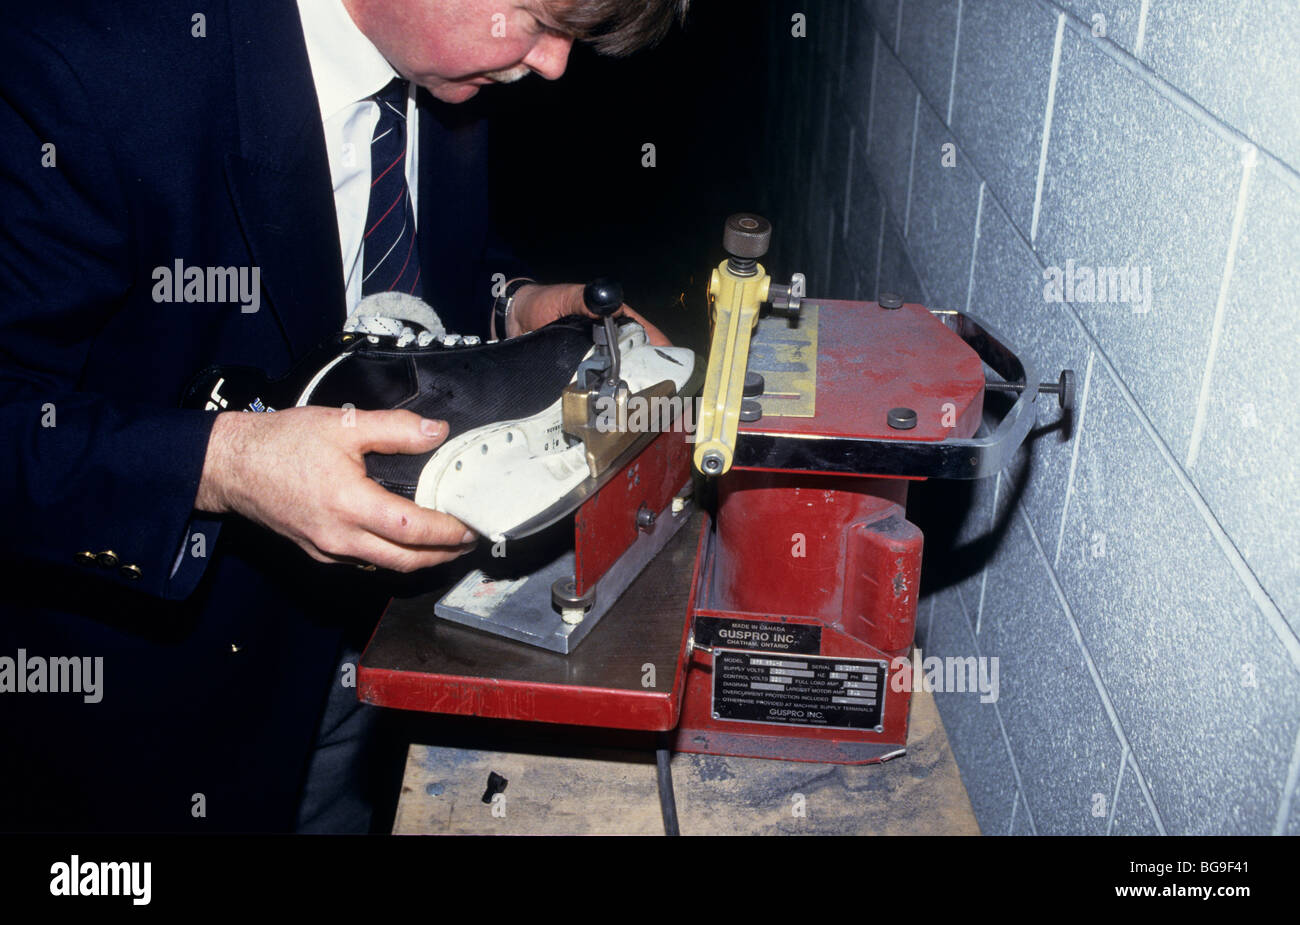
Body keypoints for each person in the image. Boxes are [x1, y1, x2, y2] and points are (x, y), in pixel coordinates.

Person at [0, 0, 686, 833]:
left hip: (358, 662)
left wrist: (517, 304)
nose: (552, 66)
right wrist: (224, 464)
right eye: (541, 18)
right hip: (141, 718)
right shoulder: (83, 69)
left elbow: (397, 276)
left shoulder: (445, 66)